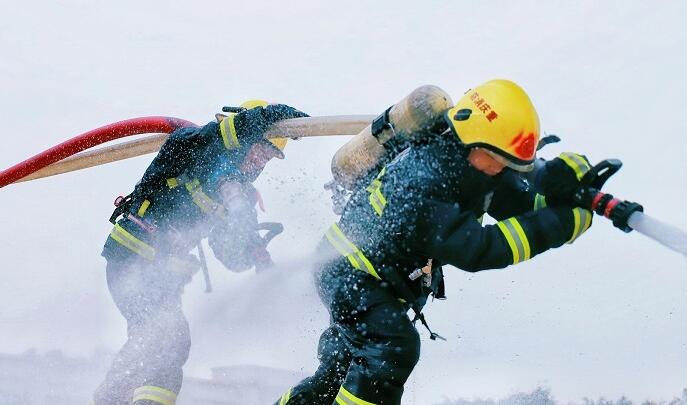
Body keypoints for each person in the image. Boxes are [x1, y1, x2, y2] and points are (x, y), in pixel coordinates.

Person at [275, 79, 594, 405]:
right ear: (477, 143)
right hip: (352, 273)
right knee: (392, 349)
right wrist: (564, 224)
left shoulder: (466, 163)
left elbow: (516, 201)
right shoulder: (424, 179)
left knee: (337, 373)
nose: (503, 169)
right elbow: (478, 249)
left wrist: (565, 191)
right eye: (499, 159)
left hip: (359, 274)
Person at [93, 100, 308, 405]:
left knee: (157, 343)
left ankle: (110, 398)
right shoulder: (193, 146)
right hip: (131, 259)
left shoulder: (242, 195)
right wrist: (266, 117)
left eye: (268, 156)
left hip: (163, 281)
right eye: (259, 149)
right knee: (166, 338)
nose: (260, 161)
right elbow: (222, 134)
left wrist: (253, 252)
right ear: (241, 137)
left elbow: (228, 253)